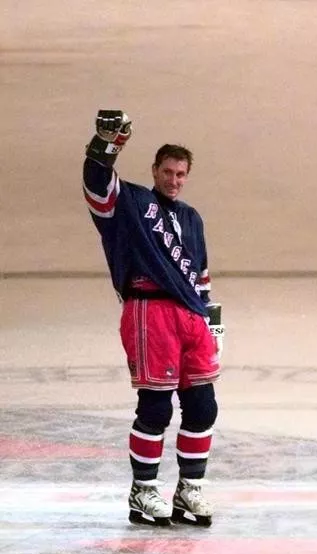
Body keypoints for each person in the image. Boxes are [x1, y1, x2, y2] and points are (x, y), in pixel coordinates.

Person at [82, 110, 224, 527]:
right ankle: (144, 491)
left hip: (192, 317)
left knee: (203, 406)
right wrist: (106, 145)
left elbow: (201, 276)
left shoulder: (192, 219)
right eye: (167, 171)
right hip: (150, 311)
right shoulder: (133, 204)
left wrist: (214, 328)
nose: (174, 180)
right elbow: (97, 187)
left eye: (181, 173)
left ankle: (189, 488)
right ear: (155, 171)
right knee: (156, 407)